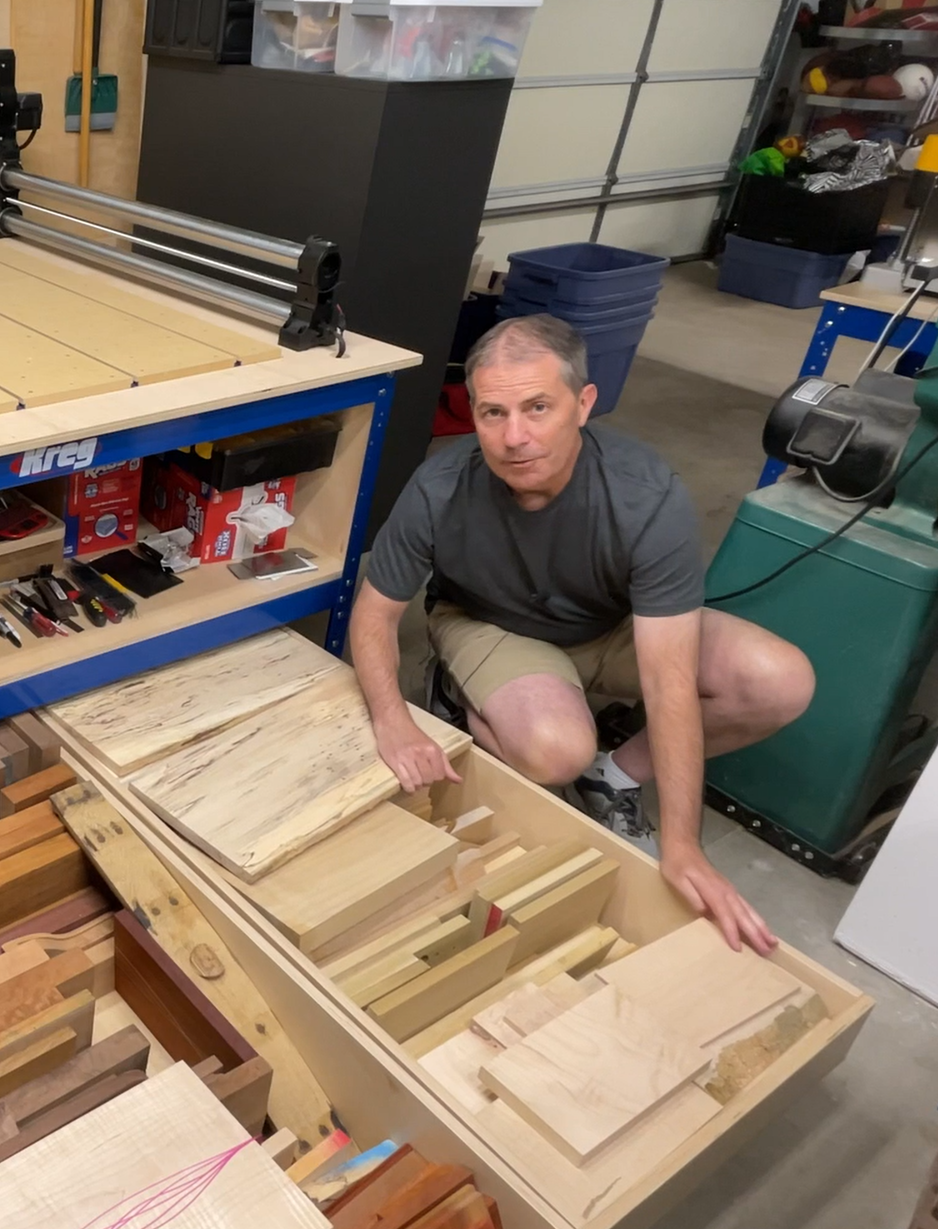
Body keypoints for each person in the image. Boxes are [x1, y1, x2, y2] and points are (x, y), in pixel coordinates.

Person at [348, 314, 814, 953]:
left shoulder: (645, 497)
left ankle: (615, 775)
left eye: (538, 407)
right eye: (492, 413)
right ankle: (462, 695)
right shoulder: (440, 486)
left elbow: (667, 676)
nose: (515, 437)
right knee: (553, 752)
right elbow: (375, 613)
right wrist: (392, 721)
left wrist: (682, 846)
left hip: (615, 625)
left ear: (584, 403)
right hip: (490, 623)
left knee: (779, 681)